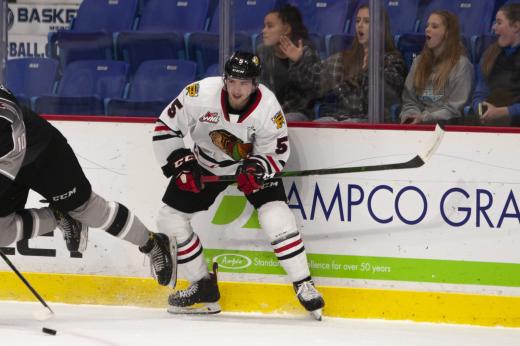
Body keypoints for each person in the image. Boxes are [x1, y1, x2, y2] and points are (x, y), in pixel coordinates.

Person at [0, 57, 177, 288]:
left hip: (43, 155)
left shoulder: (0, 107)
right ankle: (58, 217)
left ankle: (153, 243)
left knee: (86, 209)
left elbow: (9, 162)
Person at [151, 51, 325, 318]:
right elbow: (165, 127)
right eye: (232, 81)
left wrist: (258, 167)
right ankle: (203, 286)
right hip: (206, 163)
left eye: (244, 83)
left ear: (255, 84)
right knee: (169, 218)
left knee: (274, 213)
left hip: (249, 167)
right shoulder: (198, 94)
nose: (236, 88)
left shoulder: (268, 108)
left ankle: (303, 283)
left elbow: (275, 152)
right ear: (225, 79)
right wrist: (181, 163)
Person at [316, 3, 407, 122]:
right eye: (357, 21)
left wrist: (371, 69)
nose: (360, 25)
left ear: (380, 27)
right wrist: (300, 62)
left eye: (367, 21)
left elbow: (388, 98)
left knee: (347, 124)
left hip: (368, 120)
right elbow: (315, 80)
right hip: (339, 116)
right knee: (320, 123)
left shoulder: (392, 60)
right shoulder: (345, 58)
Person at [400, 10, 473, 124]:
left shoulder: (461, 66)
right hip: (418, 126)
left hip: (446, 130)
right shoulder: (418, 62)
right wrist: (411, 115)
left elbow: (455, 109)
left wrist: (424, 118)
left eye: (434, 26)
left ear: (447, 33)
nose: (427, 29)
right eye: (427, 25)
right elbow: (409, 100)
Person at [257, 4, 321, 120]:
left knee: (281, 121)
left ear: (286, 29)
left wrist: (298, 62)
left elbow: (315, 89)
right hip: (270, 112)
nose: (264, 30)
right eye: (264, 26)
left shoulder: (306, 51)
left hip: (297, 113)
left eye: (270, 26)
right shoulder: (262, 52)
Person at [471, 3, 520, 126]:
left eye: (499, 22)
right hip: (490, 122)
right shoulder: (489, 54)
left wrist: (504, 112)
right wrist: (483, 110)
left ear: (516, 26)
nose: (493, 27)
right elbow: (479, 94)